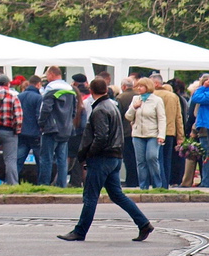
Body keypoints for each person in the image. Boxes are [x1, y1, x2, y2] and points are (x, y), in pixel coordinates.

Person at [56, 78, 154, 242]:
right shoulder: (111, 105)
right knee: (116, 194)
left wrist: (89, 153)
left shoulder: (100, 109)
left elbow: (101, 136)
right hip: (114, 156)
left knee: (90, 196)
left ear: (91, 90)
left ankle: (80, 231)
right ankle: (143, 223)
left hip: (102, 157)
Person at [125, 77, 166, 190]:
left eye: (141, 86)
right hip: (138, 134)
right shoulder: (135, 99)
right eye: (138, 86)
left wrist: (161, 135)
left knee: (152, 157)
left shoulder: (157, 100)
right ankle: (143, 186)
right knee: (141, 161)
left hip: (152, 134)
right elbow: (128, 116)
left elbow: (161, 118)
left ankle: (158, 184)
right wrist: (134, 107)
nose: (139, 88)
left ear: (148, 87)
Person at [38, 66, 75, 187]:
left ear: (52, 74)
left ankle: (44, 183)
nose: (47, 78)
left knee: (46, 158)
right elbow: (74, 111)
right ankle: (62, 184)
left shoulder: (50, 88)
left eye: (47, 75)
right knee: (62, 160)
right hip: (66, 129)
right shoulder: (70, 89)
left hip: (51, 129)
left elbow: (46, 109)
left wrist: (41, 123)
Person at [150, 74, 183, 188]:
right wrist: (180, 136)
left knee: (156, 159)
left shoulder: (152, 96)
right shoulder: (173, 96)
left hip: (154, 131)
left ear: (156, 84)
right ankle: (165, 184)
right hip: (170, 131)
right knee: (167, 159)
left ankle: (158, 183)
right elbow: (178, 118)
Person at [16, 75, 43, 180]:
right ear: (38, 84)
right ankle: (42, 182)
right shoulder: (38, 98)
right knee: (40, 160)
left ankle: (12, 181)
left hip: (21, 132)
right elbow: (38, 116)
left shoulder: (19, 96)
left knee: (18, 160)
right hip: (35, 134)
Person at [116, 78, 139, 187]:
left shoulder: (120, 98)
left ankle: (131, 180)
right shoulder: (138, 96)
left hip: (125, 132)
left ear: (124, 86)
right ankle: (138, 180)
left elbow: (118, 116)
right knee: (137, 158)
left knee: (128, 158)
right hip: (137, 130)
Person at [189, 73, 209, 187]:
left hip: (206, 126)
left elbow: (196, 98)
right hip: (204, 125)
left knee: (206, 155)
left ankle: (206, 182)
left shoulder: (205, 93)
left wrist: (203, 87)